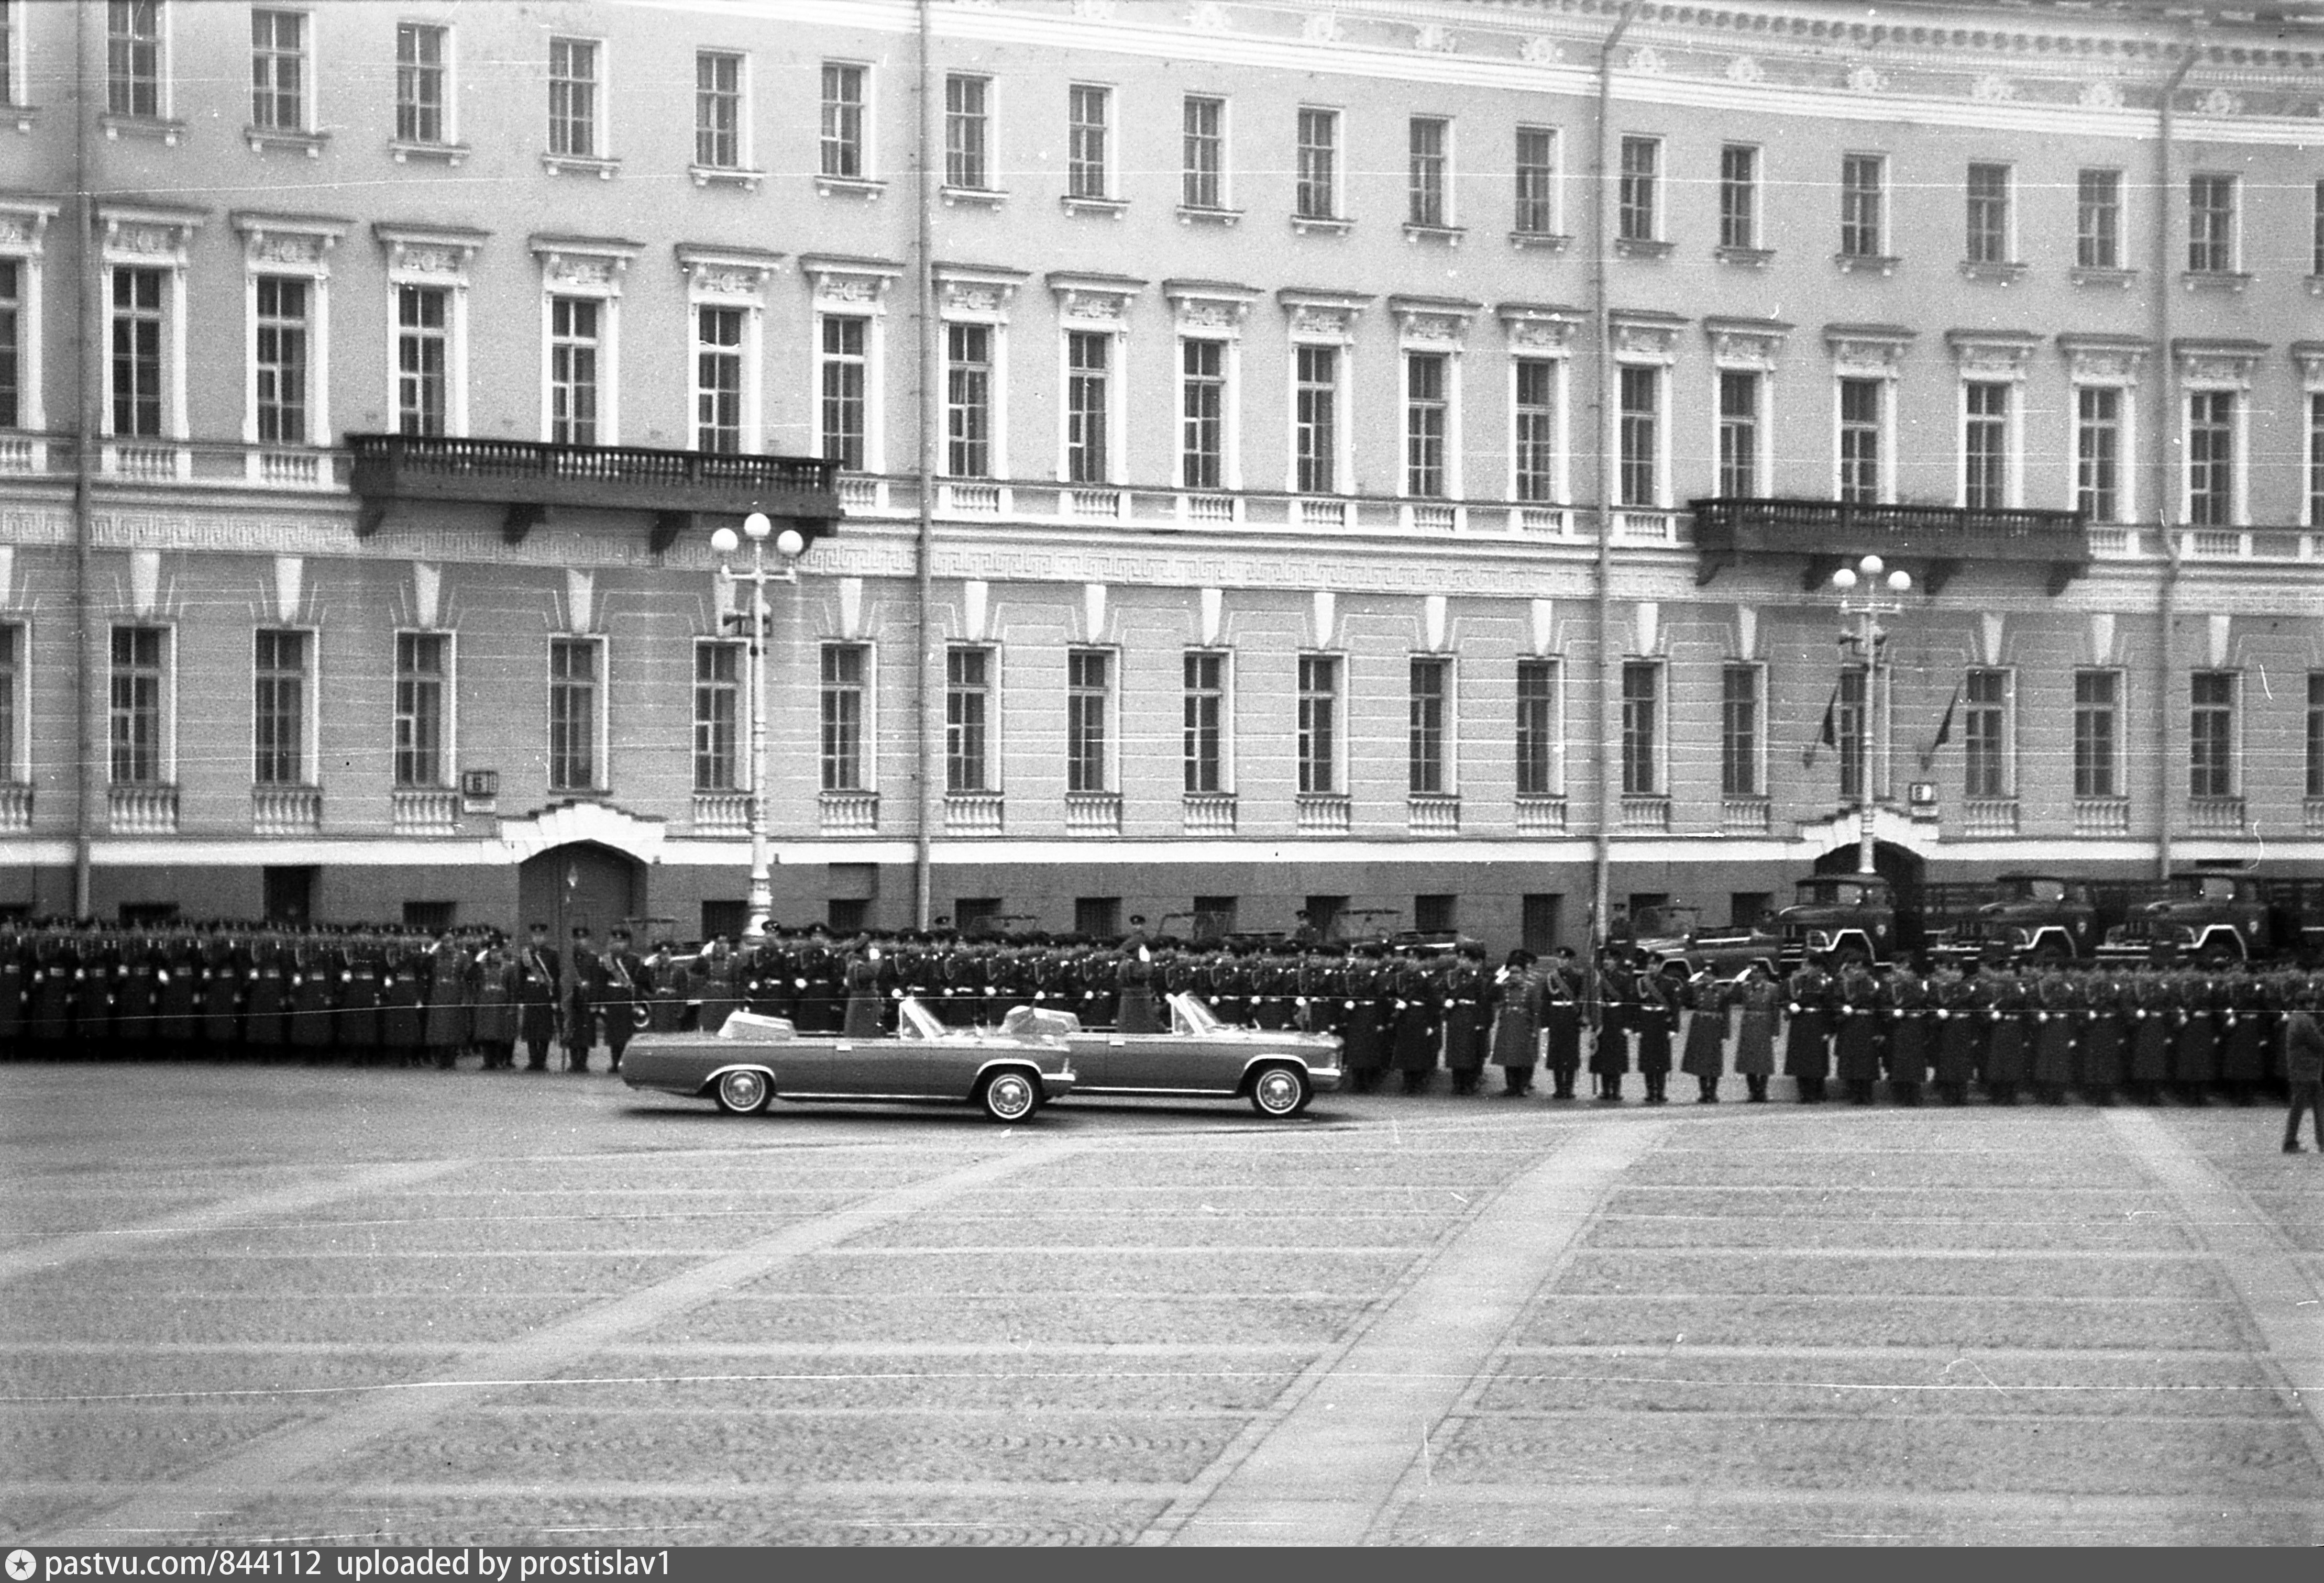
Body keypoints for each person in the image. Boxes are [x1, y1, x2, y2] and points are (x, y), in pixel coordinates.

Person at [1491, 949, 1544, 1097]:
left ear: (1523, 973)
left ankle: (1522, 1085)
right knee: (1508, 1056)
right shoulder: (1504, 987)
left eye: (1517, 973)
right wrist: (1501, 975)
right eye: (1512, 973)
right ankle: (1511, 1085)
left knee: (1522, 1057)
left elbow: (1535, 1011)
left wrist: (1534, 1029)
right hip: (1508, 1024)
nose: (1514, 976)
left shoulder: (1530, 988)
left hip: (1523, 1026)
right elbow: (1491, 990)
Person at [1678, 967, 1728, 1103]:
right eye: (1705, 975)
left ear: (1715, 977)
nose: (1707, 978)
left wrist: (1725, 1033)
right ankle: (1703, 1092)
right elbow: (1683, 998)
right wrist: (1689, 984)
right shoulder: (1697, 989)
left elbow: (1726, 1012)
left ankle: (1712, 1092)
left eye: (1710, 975)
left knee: (1713, 1061)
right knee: (1701, 1061)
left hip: (1714, 1026)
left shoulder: (1722, 991)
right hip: (1700, 1026)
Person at [516, 922, 560, 1071]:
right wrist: (521, 998)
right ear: (532, 937)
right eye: (535, 936)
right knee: (531, 1028)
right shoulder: (526, 954)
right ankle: (533, 1060)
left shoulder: (552, 955)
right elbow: (521, 976)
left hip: (545, 994)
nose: (538, 939)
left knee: (544, 1028)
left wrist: (555, 998)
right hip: (531, 993)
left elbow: (555, 977)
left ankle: (542, 1060)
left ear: (545, 937)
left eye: (541, 936)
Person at [1733, 964, 1779, 1102]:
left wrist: (1775, 1031)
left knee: (1764, 1060)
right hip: (1750, 1025)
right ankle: (1753, 1090)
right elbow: (1732, 998)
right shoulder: (1746, 988)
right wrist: (1738, 982)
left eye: (1758, 972)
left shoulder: (1772, 989)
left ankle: (1762, 1090)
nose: (1755, 975)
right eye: (1753, 972)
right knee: (1749, 1059)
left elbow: (1775, 1010)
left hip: (1764, 1024)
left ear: (1763, 974)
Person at [2286, 989, 2324, 1153]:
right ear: (2307, 1004)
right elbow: (2318, 1043)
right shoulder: (2305, 1020)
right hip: (2307, 1070)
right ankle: (2293, 1142)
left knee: (2300, 1106)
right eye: (2312, 1002)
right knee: (2315, 1106)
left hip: (2300, 1069)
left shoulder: (2296, 1018)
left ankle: (2291, 1142)